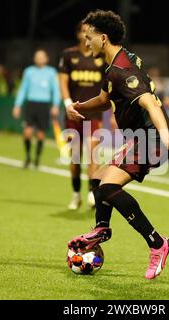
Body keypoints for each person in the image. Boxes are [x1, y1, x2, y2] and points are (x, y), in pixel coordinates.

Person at [65, 10, 169, 279]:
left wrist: (166, 138)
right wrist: (80, 107)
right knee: (99, 183)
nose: (86, 43)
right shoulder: (116, 63)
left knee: (109, 187)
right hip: (139, 138)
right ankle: (101, 228)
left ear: (103, 37)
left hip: (151, 138)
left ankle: (158, 244)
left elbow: (149, 103)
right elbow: (103, 98)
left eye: (89, 38)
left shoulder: (123, 71)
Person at [58, 22, 106, 210]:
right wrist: (67, 104)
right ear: (79, 34)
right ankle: (76, 194)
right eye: (84, 31)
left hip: (94, 113)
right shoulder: (68, 55)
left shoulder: (101, 57)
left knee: (93, 154)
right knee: (75, 157)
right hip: (73, 114)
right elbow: (62, 82)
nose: (87, 34)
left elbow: (108, 86)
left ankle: (92, 194)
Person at [12, 49, 60, 169]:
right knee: (27, 132)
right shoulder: (29, 72)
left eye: (41, 57)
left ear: (46, 59)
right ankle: (28, 156)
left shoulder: (51, 72)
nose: (39, 59)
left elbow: (56, 90)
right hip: (31, 104)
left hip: (43, 105)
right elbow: (23, 89)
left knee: (40, 134)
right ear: (34, 59)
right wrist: (17, 105)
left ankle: (37, 158)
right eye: (37, 57)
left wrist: (55, 105)